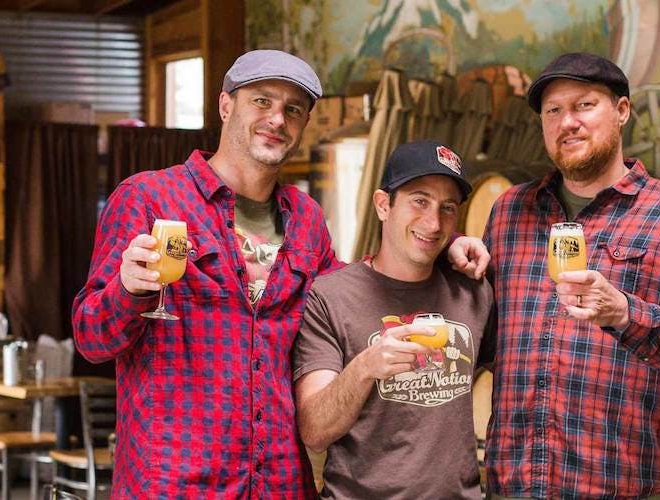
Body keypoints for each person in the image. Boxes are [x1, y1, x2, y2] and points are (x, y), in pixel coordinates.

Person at [72, 51, 488, 498]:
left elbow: (357, 292)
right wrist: (128, 290)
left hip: (278, 481)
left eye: (293, 109)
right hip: (175, 477)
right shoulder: (149, 198)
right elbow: (92, 340)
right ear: (225, 105)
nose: (277, 119)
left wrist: (441, 242)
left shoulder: (305, 217)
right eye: (262, 101)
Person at [482, 52, 660, 499]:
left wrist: (624, 313)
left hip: (623, 488)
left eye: (584, 105)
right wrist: (445, 260)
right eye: (553, 111)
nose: (567, 122)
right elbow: (484, 335)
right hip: (514, 487)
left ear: (621, 112)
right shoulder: (508, 212)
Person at [292, 140, 495, 499]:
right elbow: (315, 431)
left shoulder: (474, 290)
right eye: (419, 201)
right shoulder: (330, 297)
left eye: (447, 208)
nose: (433, 223)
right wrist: (366, 366)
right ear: (383, 205)